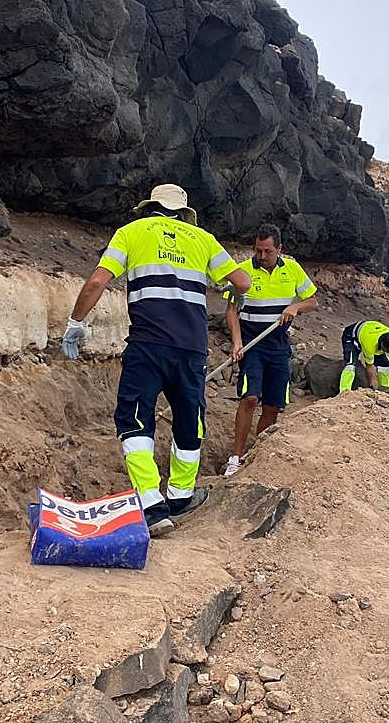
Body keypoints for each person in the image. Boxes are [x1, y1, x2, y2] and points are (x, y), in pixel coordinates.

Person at [62, 184, 250, 536]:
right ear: (183, 212)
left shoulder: (131, 233)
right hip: (192, 349)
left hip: (147, 346)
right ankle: (181, 497)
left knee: (134, 419)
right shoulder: (203, 240)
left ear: (150, 208)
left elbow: (97, 282)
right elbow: (242, 282)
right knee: (189, 420)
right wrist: (220, 287)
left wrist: (76, 322)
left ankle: (150, 503)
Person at [223, 224, 317, 477]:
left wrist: (296, 306)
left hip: (278, 347)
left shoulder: (293, 270)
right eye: (258, 251)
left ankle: (257, 454)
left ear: (279, 249)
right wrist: (236, 342)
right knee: (250, 398)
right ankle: (236, 458)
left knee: (273, 406)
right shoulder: (242, 272)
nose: (262, 256)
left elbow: (312, 301)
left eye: (267, 251)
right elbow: (232, 310)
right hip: (252, 346)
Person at [339, 320, 389, 393]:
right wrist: (370, 386)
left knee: (385, 365)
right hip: (351, 337)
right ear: (382, 347)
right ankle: (344, 392)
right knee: (350, 364)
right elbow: (369, 366)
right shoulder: (370, 345)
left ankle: (384, 389)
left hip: (370, 330)